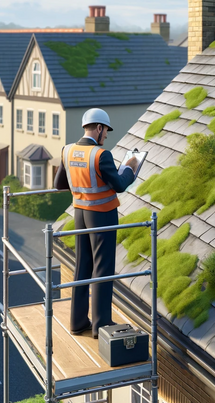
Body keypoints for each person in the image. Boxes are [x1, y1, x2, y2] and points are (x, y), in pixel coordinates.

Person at [54, 108, 139, 338]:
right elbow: (120, 184)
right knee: (103, 269)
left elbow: (59, 184)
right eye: (106, 131)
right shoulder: (101, 155)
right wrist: (131, 168)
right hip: (102, 214)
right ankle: (101, 325)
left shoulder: (67, 150)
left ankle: (78, 321)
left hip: (79, 213)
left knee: (82, 266)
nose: (106, 136)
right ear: (99, 128)